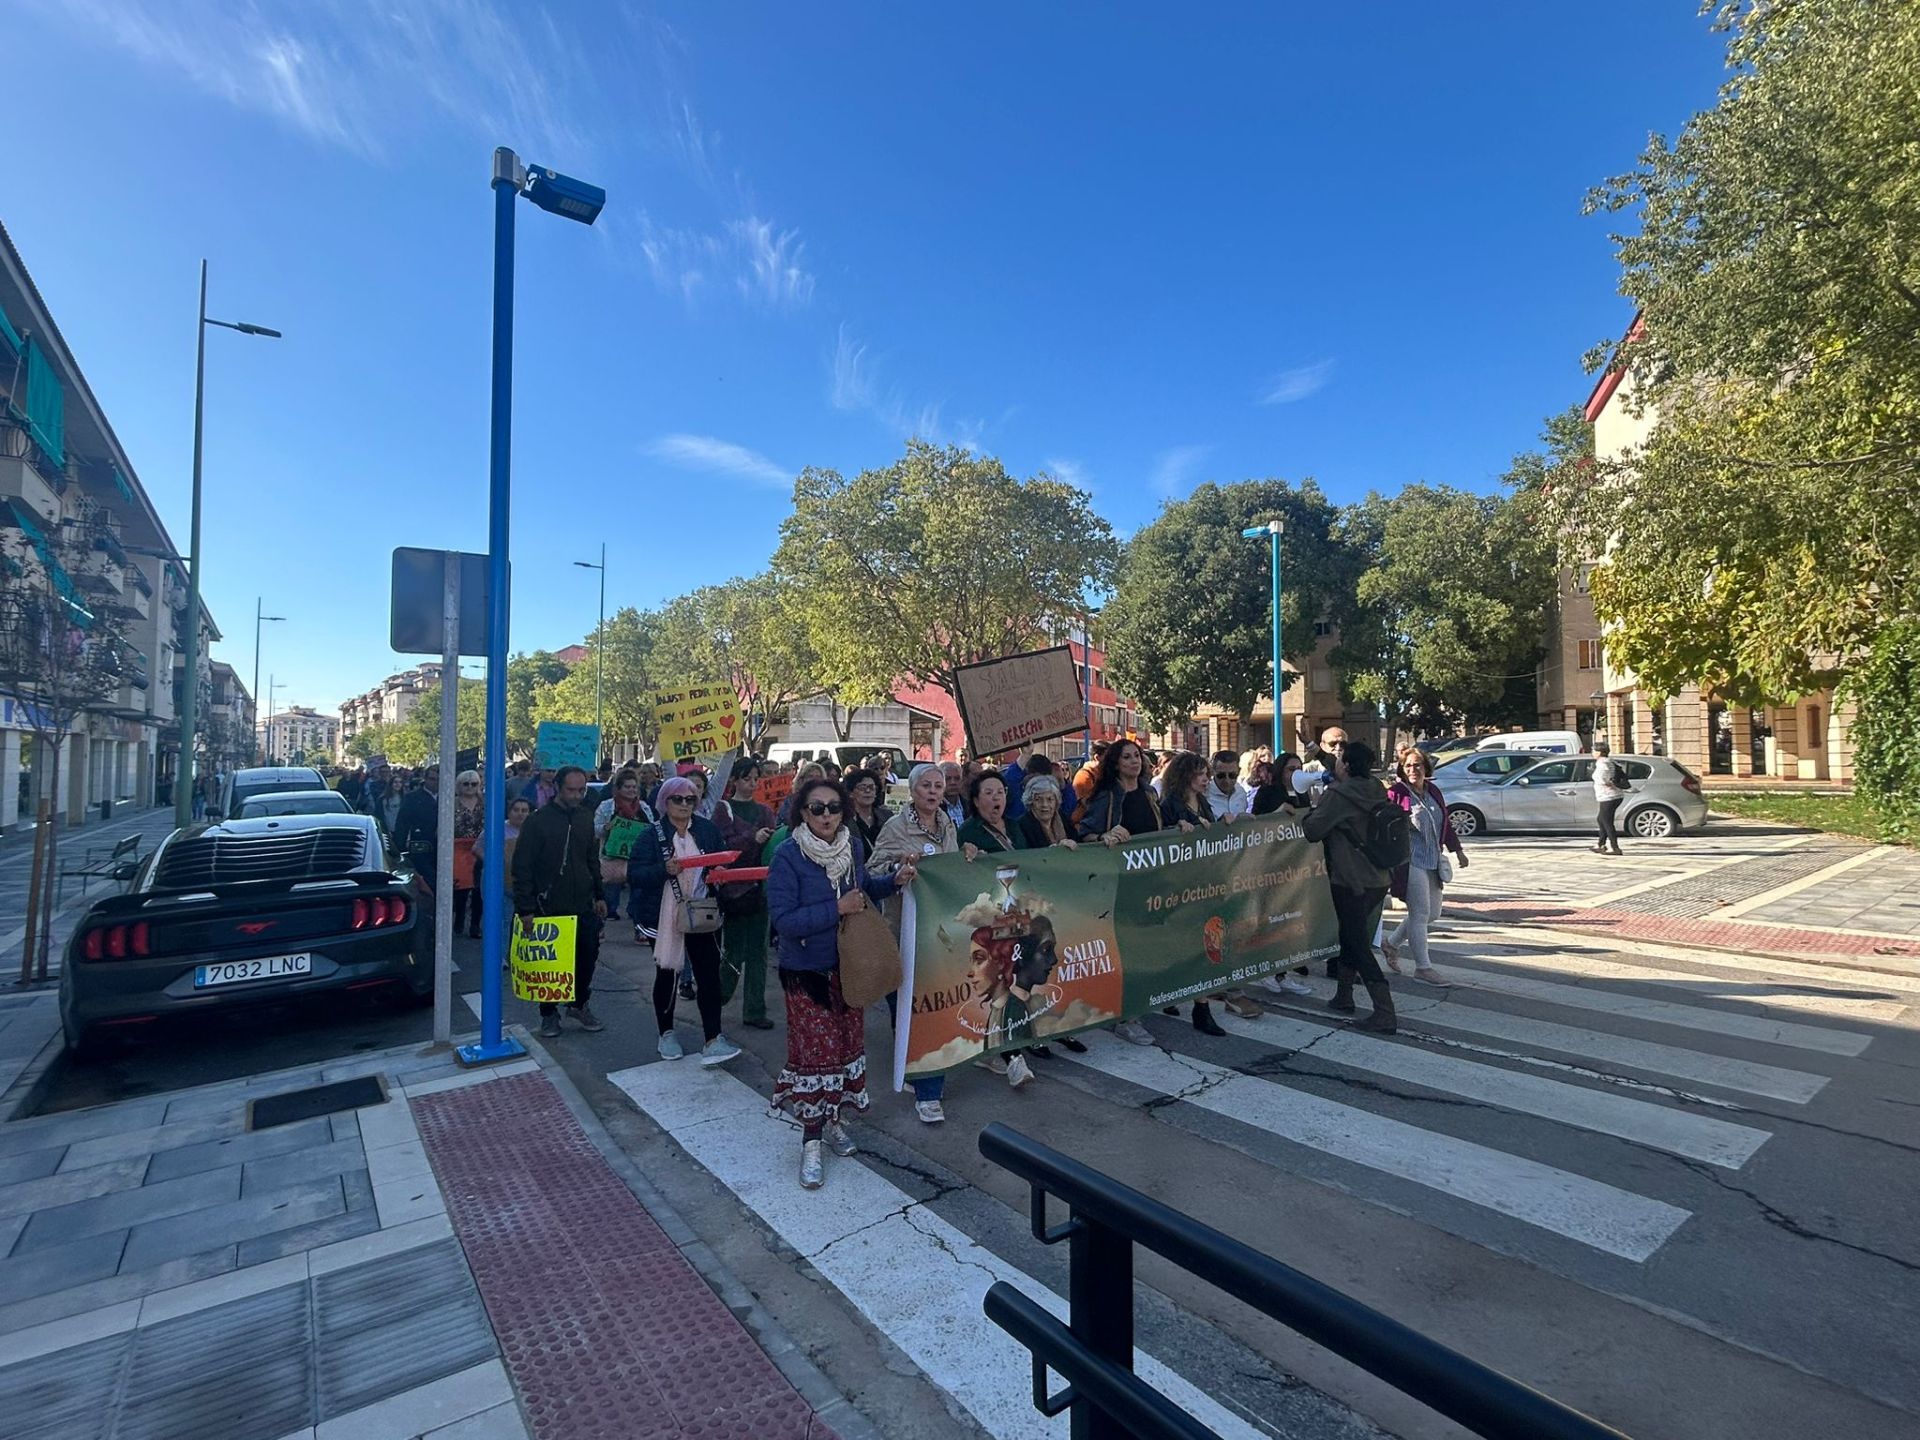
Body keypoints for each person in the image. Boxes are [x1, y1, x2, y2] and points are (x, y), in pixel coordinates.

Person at [768, 776, 917, 1189]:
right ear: (802, 812)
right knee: (817, 1057)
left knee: (847, 1049)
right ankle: (811, 1141)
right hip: (807, 974)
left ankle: (834, 1120)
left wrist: (895, 880)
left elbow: (864, 888)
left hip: (850, 967)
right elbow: (784, 920)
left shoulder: (851, 847)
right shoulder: (788, 856)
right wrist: (836, 908)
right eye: (817, 808)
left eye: (834, 807)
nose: (827, 815)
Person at [869, 763, 961, 1122]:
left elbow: (953, 869)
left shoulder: (947, 823)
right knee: (906, 1008)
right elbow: (873, 871)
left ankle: (928, 1088)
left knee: (930, 1009)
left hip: (940, 933)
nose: (934, 791)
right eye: (926, 785)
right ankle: (916, 1070)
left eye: (939, 785)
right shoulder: (896, 827)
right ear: (912, 790)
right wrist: (899, 868)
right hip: (904, 932)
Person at [629, 776, 742, 1066]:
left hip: (702, 912)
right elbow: (635, 875)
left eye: (690, 799)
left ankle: (713, 1038)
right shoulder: (651, 835)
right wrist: (663, 870)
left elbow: (719, 861)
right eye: (677, 799)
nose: (684, 804)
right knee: (668, 973)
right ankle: (666, 1033)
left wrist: (718, 872)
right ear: (664, 802)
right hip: (662, 914)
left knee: (708, 975)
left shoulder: (706, 829)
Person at [1160, 751, 1261, 1030]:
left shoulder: (1202, 802)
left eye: (1207, 774)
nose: (1206, 779)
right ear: (1185, 776)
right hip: (1181, 886)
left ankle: (1201, 1007)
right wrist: (1176, 828)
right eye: (1200, 774)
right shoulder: (1170, 804)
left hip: (1205, 883)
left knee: (1202, 944)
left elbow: (1212, 834)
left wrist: (1225, 822)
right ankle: (1179, 995)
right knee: (1184, 944)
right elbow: (1159, 837)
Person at [1302, 741, 1397, 1033]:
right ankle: (1343, 995)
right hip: (1378, 876)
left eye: (1340, 759)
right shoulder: (1376, 787)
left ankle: (1384, 1012)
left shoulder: (1338, 795)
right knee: (1349, 932)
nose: (1337, 763)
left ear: (1346, 765)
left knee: (1356, 940)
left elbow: (1312, 830)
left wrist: (1313, 810)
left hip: (1349, 878)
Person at [1075, 740, 1163, 1046]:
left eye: (1137, 756)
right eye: (1126, 757)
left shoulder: (1149, 793)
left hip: (1151, 880)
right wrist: (1104, 835)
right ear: (1115, 763)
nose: (1134, 761)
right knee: (1127, 951)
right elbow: (1084, 833)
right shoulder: (1107, 796)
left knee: (1148, 946)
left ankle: (1138, 1003)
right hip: (1119, 884)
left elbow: (1161, 829)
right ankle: (1127, 1018)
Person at [511, 766, 608, 1039]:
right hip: (548, 906)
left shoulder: (586, 817)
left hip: (583, 903)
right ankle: (549, 1013)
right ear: (557, 787)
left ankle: (578, 1004)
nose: (576, 795)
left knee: (587, 957)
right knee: (550, 966)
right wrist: (526, 909)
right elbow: (522, 867)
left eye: (581, 790)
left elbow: (592, 859)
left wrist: (600, 894)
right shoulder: (537, 821)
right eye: (571, 790)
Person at [954, 770, 1037, 1084]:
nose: (995, 798)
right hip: (991, 923)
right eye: (988, 793)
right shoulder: (968, 831)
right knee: (1003, 984)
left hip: (1020, 917)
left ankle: (994, 1049)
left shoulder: (1015, 826)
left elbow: (1037, 858)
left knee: (1015, 983)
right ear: (976, 801)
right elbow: (962, 872)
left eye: (1000, 792)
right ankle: (1013, 1058)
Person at [1385, 749, 1468, 986]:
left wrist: (1457, 850)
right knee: (1420, 914)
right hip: (1410, 861)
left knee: (1433, 914)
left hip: (1433, 858)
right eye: (1408, 766)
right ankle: (1423, 968)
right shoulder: (1397, 793)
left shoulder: (1433, 791)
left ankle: (1391, 943)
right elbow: (1387, 825)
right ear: (1402, 769)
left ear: (1426, 767)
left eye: (1418, 765)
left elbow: (1445, 823)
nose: (1413, 770)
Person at [714, 761, 776, 1031]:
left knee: (758, 952)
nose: (752, 783)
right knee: (734, 949)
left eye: (755, 778)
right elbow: (722, 845)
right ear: (735, 780)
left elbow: (773, 847)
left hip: (760, 887)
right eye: (747, 778)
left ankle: (754, 1009)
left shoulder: (765, 811)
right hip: (734, 888)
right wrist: (752, 837)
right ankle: (717, 997)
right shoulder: (723, 809)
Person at [1249, 755, 1317, 998]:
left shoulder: (1302, 794)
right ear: (1280, 771)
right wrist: (1278, 813)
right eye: (1290, 769)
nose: (1296, 773)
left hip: (1295, 866)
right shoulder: (1267, 792)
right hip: (1270, 865)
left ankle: (1282, 971)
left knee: (1290, 919)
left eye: (1299, 768)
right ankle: (1266, 968)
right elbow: (1255, 824)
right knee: (1270, 918)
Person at [594, 770, 651, 921]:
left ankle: (636, 915)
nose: (631, 790)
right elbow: (594, 829)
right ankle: (607, 914)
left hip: (637, 857)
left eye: (634, 787)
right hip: (612, 856)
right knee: (610, 888)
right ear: (618, 788)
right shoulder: (606, 806)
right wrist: (605, 828)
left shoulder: (644, 808)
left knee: (638, 887)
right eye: (627, 787)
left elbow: (652, 827)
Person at [473, 793, 531, 910]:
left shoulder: (533, 831)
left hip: (522, 885)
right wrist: (492, 862)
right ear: (509, 812)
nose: (520, 813)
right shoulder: (496, 828)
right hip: (499, 883)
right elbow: (476, 848)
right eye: (516, 810)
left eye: (524, 810)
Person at [451, 770, 485, 939]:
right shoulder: (452, 803)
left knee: (479, 889)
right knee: (461, 889)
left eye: (474, 784)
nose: (470, 787)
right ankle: (459, 919)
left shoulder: (485, 803)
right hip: (458, 848)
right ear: (459, 785)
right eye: (466, 784)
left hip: (481, 847)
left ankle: (475, 925)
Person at [392, 765, 440, 876]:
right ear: (425, 779)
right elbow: (402, 824)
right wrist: (399, 849)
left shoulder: (449, 797)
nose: (436, 783)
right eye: (432, 779)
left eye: (439, 779)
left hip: (443, 847)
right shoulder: (412, 798)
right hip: (421, 847)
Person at [1592, 740, 1628, 856]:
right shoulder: (1609, 762)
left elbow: (1603, 778)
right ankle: (1600, 844)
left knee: (1607, 821)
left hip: (1608, 796)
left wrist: (1606, 783)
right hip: (1611, 795)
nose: (1592, 753)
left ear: (1599, 752)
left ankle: (1614, 847)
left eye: (1594, 751)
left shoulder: (1602, 764)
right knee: (1601, 819)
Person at [844, 768, 891, 851]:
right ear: (851, 793)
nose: (868, 790)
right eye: (862, 787)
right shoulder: (845, 820)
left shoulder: (887, 816)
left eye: (872, 787)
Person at [1208, 751, 1252, 819]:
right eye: (1221, 775)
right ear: (1213, 771)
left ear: (1239, 771)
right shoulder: (1205, 795)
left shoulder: (1241, 792)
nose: (1227, 780)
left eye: (1232, 775)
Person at [939, 762, 968, 826]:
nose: (953, 782)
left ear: (962, 781)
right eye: (948, 779)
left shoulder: (969, 805)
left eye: (957, 778)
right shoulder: (935, 807)